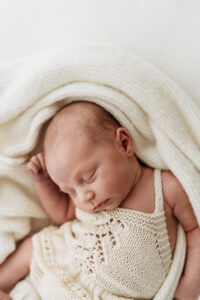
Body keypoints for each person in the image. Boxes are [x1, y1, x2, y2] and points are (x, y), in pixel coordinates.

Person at [0, 101, 199, 300]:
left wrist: (190, 282)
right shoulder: (87, 203)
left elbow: (196, 230)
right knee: (35, 247)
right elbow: (62, 216)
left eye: (88, 177)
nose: (85, 197)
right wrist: (43, 182)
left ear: (124, 144)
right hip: (65, 262)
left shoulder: (166, 188)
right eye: (70, 192)